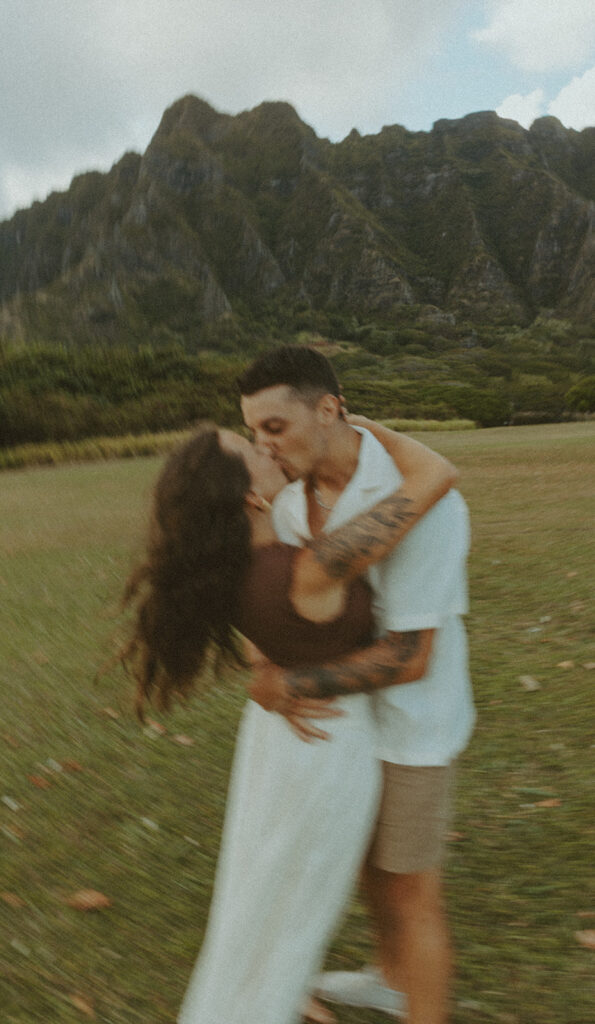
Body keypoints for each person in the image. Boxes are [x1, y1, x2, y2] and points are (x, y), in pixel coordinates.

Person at [120, 418, 457, 1024]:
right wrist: (351, 424)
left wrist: (276, 679)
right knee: (297, 893)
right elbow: (435, 475)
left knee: (264, 888)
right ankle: (270, 996)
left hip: (276, 742)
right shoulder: (312, 566)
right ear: (250, 496)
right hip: (327, 741)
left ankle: (266, 991)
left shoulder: (229, 572)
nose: (267, 447)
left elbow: (261, 648)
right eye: (252, 448)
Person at [238, 346, 474, 1024]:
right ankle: (388, 975)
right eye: (254, 433)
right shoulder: (286, 504)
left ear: (329, 409)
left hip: (411, 727)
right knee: (369, 871)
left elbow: (409, 657)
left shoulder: (423, 502)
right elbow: (272, 600)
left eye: (274, 428)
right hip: (344, 729)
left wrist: (292, 685)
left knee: (410, 893)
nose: (265, 445)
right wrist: (262, 666)